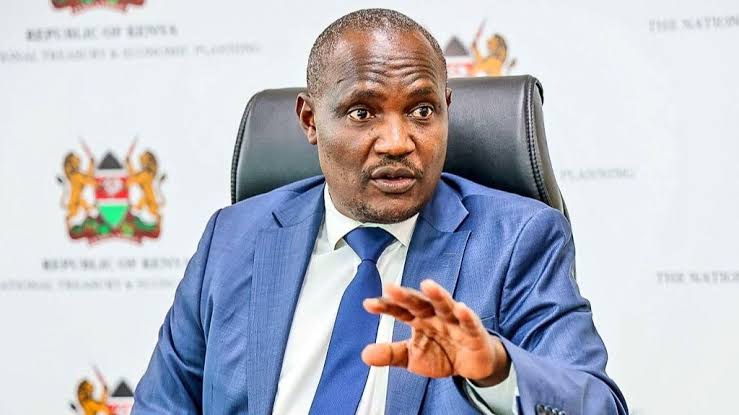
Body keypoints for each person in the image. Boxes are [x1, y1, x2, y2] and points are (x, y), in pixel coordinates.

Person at [132, 8, 627, 415]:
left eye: (421, 110)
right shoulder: (233, 237)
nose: (397, 142)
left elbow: (597, 405)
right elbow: (162, 404)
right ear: (310, 120)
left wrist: (498, 370)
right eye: (362, 112)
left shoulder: (518, 239)